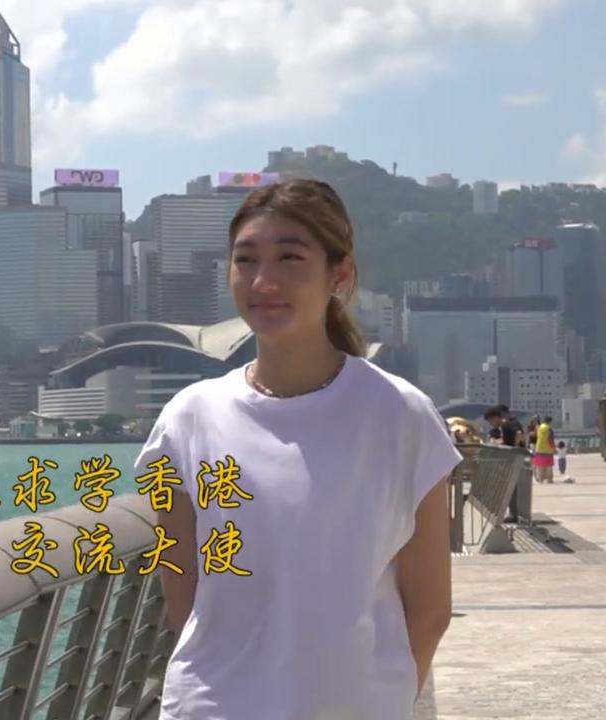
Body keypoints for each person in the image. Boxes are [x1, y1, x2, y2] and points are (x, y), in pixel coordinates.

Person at [134, 179, 459, 720]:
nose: (264, 281)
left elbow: (430, 609)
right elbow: (184, 595)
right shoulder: (189, 418)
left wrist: (382, 698)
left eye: (290, 258)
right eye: (246, 259)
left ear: (340, 274)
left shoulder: (400, 415)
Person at [532, 416, 556, 483]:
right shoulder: (549, 429)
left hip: (539, 449)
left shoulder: (538, 428)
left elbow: (537, 436)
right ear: (549, 422)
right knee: (549, 466)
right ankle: (549, 480)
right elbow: (550, 440)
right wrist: (554, 448)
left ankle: (540, 480)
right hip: (548, 450)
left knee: (540, 466)